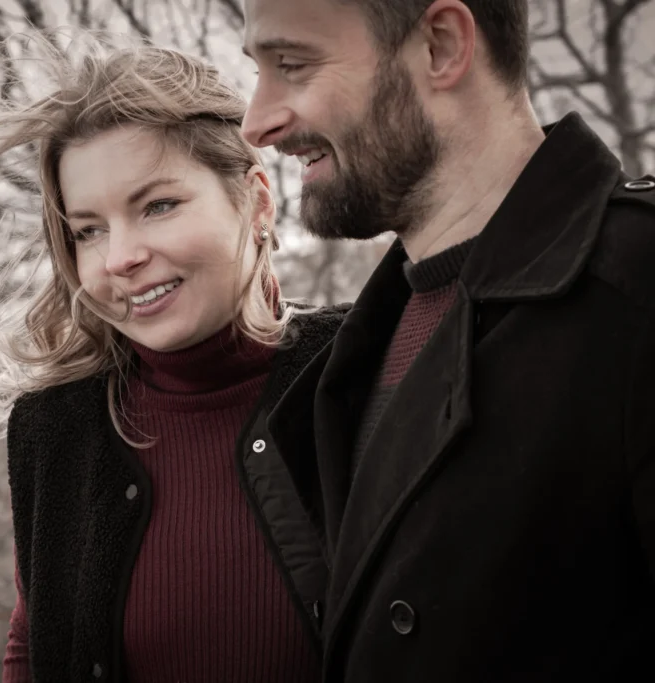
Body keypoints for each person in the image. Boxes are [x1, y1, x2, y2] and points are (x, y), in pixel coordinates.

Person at [240, 0, 655, 681]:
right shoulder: (360, 348)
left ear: (439, 46)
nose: (258, 122)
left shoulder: (637, 290)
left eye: (292, 65)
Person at [0, 31, 348, 682]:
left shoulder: (367, 371)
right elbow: (34, 643)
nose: (119, 256)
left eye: (157, 205)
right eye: (88, 229)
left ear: (257, 202)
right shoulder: (54, 429)